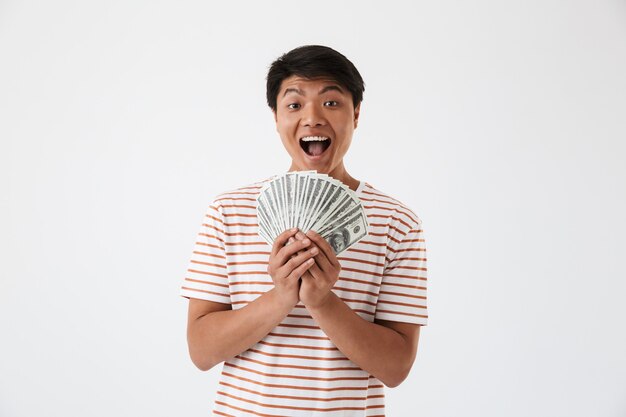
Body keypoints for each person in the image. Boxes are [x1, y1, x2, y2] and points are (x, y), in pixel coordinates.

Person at [180, 45, 429, 416]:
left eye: (331, 103)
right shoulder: (228, 213)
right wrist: (282, 296)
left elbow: (396, 368)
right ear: (276, 117)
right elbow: (201, 351)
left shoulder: (397, 223)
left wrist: (322, 301)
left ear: (356, 114)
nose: (312, 118)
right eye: (294, 105)